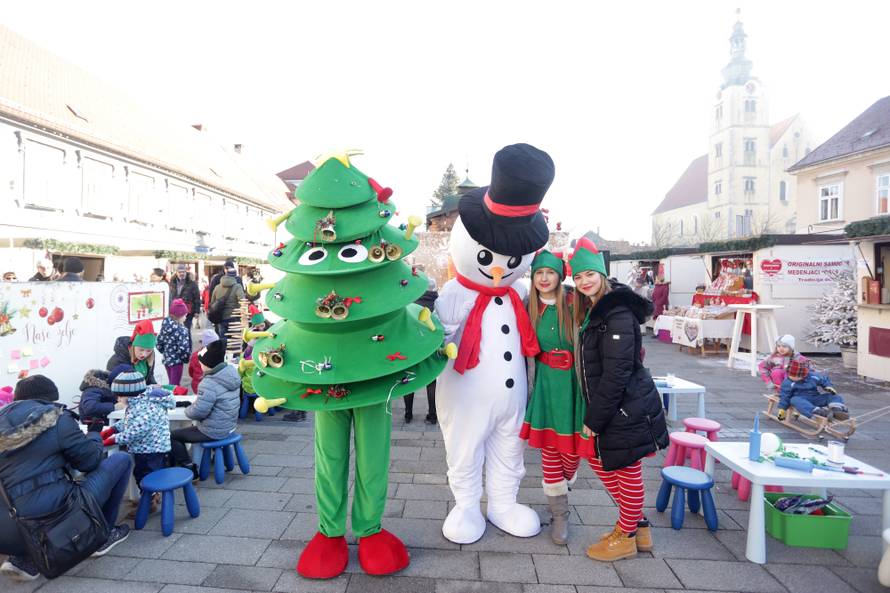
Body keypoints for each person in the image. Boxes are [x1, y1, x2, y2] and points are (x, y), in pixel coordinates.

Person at [570, 240, 668, 562]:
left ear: (602, 273)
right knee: (605, 461)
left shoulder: (617, 312)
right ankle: (638, 528)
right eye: (578, 276)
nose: (584, 281)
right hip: (617, 404)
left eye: (589, 274)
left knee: (625, 469)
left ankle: (625, 536)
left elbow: (617, 372)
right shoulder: (598, 308)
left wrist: (594, 419)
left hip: (623, 406)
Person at [0, 376, 131, 581]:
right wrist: (95, 434)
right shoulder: (56, 419)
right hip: (51, 519)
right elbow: (89, 462)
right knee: (122, 460)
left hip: (6, 531)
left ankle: (26, 558)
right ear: (49, 400)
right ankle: (100, 534)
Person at [519, 250, 587, 545]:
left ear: (560, 275)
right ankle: (560, 514)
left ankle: (563, 488)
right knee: (549, 449)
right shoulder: (527, 307)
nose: (544, 278)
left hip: (574, 385)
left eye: (549, 272)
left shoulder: (575, 302)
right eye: (538, 273)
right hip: (546, 383)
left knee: (572, 452)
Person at [100, 372, 174, 512]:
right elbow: (131, 422)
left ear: (130, 394)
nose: (118, 398)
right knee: (152, 473)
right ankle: (154, 495)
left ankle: (148, 503)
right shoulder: (141, 402)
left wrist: (112, 439)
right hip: (153, 447)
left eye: (120, 395)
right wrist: (114, 429)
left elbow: (135, 432)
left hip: (149, 449)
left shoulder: (145, 407)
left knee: (144, 476)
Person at [170, 340, 240, 478]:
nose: (200, 366)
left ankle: (189, 467)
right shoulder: (231, 373)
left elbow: (198, 412)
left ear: (207, 364)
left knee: (172, 436)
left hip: (212, 431)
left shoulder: (208, 383)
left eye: (201, 363)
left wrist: (187, 410)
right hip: (228, 425)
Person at [403, 277, 439, 424]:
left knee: (408, 378)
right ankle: (432, 415)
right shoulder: (438, 303)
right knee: (431, 380)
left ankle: (408, 414)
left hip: (412, 346)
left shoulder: (410, 303)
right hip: (431, 345)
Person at [777, 359, 849, 420]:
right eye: (791, 375)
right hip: (802, 400)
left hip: (815, 397)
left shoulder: (812, 376)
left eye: (797, 376)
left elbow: (823, 379)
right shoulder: (787, 382)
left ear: (804, 374)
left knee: (833, 396)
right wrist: (782, 409)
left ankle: (836, 410)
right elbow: (785, 396)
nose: (794, 378)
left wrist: (828, 386)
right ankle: (819, 412)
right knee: (794, 399)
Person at [78, 364, 131, 432]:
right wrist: (114, 406)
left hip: (107, 422)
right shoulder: (93, 388)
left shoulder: (107, 387)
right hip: (95, 426)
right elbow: (89, 407)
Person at [107, 320, 159, 385]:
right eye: (141, 350)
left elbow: (150, 377)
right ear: (133, 346)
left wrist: (154, 385)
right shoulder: (117, 360)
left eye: (149, 350)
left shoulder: (150, 356)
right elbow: (112, 384)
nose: (144, 354)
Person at [210, 262, 246, 347]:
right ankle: (234, 359)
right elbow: (243, 302)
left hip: (221, 319)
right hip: (234, 319)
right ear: (234, 276)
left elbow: (212, 303)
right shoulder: (237, 287)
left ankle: (225, 359)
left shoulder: (217, 287)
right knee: (235, 343)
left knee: (224, 343)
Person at [157, 299, 192, 386]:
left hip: (166, 360)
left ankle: (172, 396)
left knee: (171, 383)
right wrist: (185, 358)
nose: (186, 317)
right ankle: (175, 398)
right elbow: (183, 348)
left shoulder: (165, 325)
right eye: (185, 315)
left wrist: (164, 352)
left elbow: (159, 342)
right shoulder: (182, 330)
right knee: (175, 385)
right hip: (176, 362)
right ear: (179, 316)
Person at [169, 264, 202, 336]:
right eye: (179, 272)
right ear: (176, 272)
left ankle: (188, 346)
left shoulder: (192, 283)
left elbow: (197, 297)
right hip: (175, 311)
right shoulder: (172, 282)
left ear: (186, 272)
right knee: (176, 330)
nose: (181, 273)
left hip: (188, 311)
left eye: (183, 272)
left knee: (186, 330)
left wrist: (197, 311)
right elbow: (170, 296)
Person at [189, 328, 218, 394]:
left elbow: (191, 372)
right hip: (210, 386)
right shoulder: (216, 355)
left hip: (197, 385)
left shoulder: (195, 355)